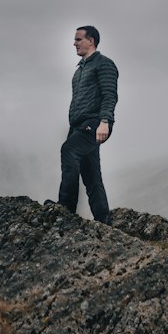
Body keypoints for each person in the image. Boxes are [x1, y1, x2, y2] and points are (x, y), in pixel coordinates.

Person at [57, 25, 119, 222]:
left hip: (94, 123)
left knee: (69, 150)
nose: (74, 43)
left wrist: (105, 122)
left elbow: (110, 95)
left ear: (90, 41)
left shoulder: (104, 64)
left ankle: (65, 208)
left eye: (78, 39)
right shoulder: (79, 70)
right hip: (77, 125)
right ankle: (104, 220)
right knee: (91, 174)